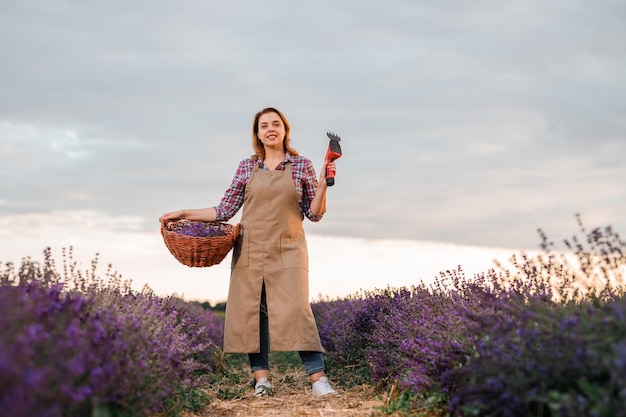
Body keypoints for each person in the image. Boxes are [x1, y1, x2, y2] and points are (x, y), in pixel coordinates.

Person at [159, 107, 338, 397]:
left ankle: (319, 380)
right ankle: (262, 381)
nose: (270, 128)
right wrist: (183, 212)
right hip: (250, 248)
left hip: (289, 247)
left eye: (276, 124)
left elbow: (314, 213)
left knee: (297, 310)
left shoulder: (301, 165)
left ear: (284, 130)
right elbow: (225, 209)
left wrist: (322, 186)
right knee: (254, 313)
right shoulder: (246, 167)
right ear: (257, 133)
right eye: (264, 125)